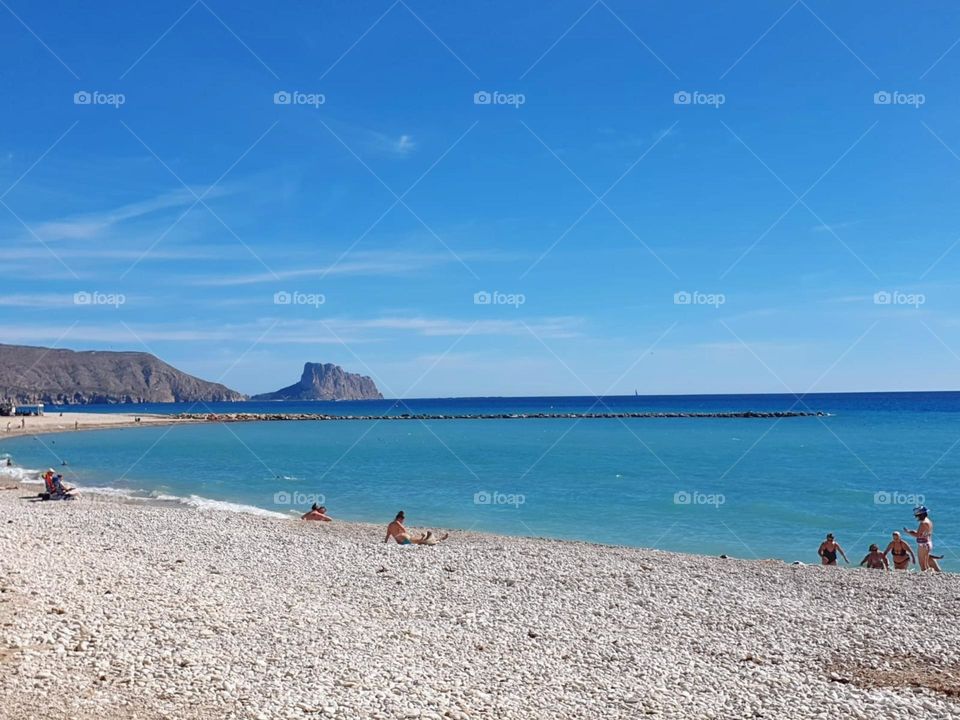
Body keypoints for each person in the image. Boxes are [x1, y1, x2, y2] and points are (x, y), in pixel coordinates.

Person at [904, 506, 942, 572]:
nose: (917, 517)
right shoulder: (929, 521)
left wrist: (908, 532)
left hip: (923, 544)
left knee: (922, 564)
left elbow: (918, 535)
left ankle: (927, 577)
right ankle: (930, 575)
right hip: (928, 543)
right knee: (926, 563)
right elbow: (923, 533)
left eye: (917, 516)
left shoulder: (923, 523)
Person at [384, 511, 448, 546]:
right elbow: (403, 529)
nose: (402, 522)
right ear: (400, 518)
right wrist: (403, 533)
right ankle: (440, 539)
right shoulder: (397, 522)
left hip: (401, 542)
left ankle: (439, 539)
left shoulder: (390, 525)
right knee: (424, 540)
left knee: (423, 541)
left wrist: (385, 544)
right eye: (402, 520)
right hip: (406, 540)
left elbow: (387, 536)